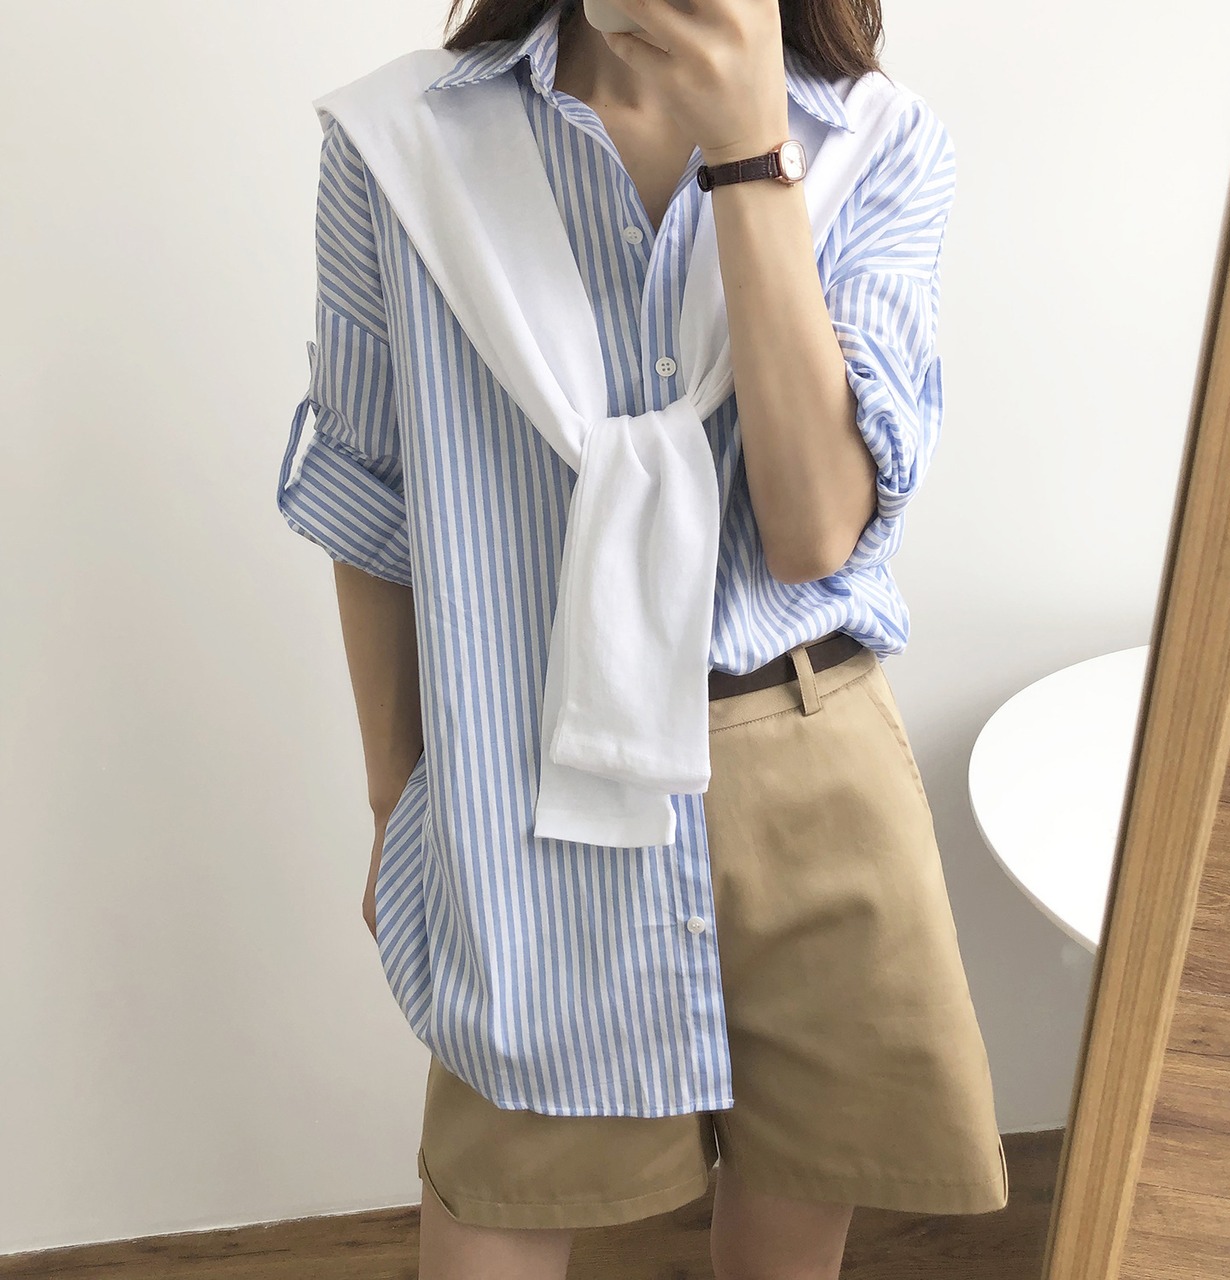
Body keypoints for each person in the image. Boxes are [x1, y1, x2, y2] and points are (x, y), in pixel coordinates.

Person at [276, 1, 1008, 1277]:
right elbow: (370, 504)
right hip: (530, 786)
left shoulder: (875, 144)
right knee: (490, 1218)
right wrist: (397, 801)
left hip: (811, 773)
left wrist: (750, 152)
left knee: (786, 1247)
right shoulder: (402, 142)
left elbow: (813, 529)